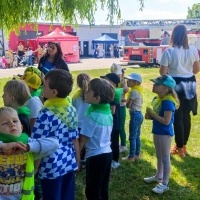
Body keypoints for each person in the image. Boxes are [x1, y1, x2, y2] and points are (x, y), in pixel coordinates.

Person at [31, 69, 79, 200]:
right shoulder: (72, 110)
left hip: (50, 166)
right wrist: (77, 161)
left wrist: (35, 169)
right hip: (69, 161)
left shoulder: (44, 114)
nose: (42, 87)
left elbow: (39, 145)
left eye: (44, 85)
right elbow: (75, 139)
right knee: (67, 196)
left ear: (53, 92)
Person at [0, 106, 59, 199]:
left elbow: (55, 144)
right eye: (5, 123)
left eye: (15, 121)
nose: (12, 125)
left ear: (21, 127)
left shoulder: (29, 144)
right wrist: (3, 146)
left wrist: (28, 147)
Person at [159, 24, 200, 157]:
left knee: (177, 115)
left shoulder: (169, 51)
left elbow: (163, 73)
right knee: (186, 114)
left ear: (173, 35)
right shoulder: (193, 50)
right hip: (190, 82)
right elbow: (196, 69)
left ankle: (180, 146)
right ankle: (184, 145)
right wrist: (186, 70)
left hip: (175, 83)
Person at [79, 78, 115, 200]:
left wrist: (77, 159)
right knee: (103, 187)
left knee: (92, 190)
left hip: (95, 157)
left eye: (89, 91)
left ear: (97, 98)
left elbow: (82, 140)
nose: (86, 92)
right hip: (107, 154)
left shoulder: (92, 115)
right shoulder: (107, 111)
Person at [144, 75, 179, 194]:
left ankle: (165, 183)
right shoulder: (160, 99)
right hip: (158, 132)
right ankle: (158, 176)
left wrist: (152, 114)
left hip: (165, 134)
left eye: (156, 84)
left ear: (165, 88)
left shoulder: (168, 102)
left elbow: (166, 121)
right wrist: (149, 116)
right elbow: (158, 117)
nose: (153, 85)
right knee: (159, 155)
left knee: (165, 158)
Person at [101, 73, 122, 169]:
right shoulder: (110, 92)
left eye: (106, 79)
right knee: (110, 140)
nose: (104, 81)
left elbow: (112, 111)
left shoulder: (113, 93)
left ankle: (115, 160)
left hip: (114, 122)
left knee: (114, 140)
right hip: (110, 122)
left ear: (112, 82)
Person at [122, 73, 143, 161]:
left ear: (135, 82)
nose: (127, 81)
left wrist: (125, 102)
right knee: (137, 136)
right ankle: (137, 154)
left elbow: (128, 105)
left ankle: (131, 156)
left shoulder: (133, 92)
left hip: (134, 115)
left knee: (132, 137)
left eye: (129, 80)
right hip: (139, 114)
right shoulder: (137, 90)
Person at [72, 73, 90, 168]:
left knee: (78, 144)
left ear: (78, 84)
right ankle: (84, 160)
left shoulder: (75, 96)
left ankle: (77, 162)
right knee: (86, 143)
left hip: (77, 124)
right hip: (87, 123)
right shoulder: (91, 95)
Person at [110, 63, 129, 153]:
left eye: (118, 74)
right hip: (113, 106)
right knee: (114, 126)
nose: (116, 76)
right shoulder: (111, 82)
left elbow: (125, 90)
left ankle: (124, 144)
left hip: (121, 107)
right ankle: (115, 143)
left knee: (121, 127)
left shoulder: (123, 83)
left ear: (121, 74)